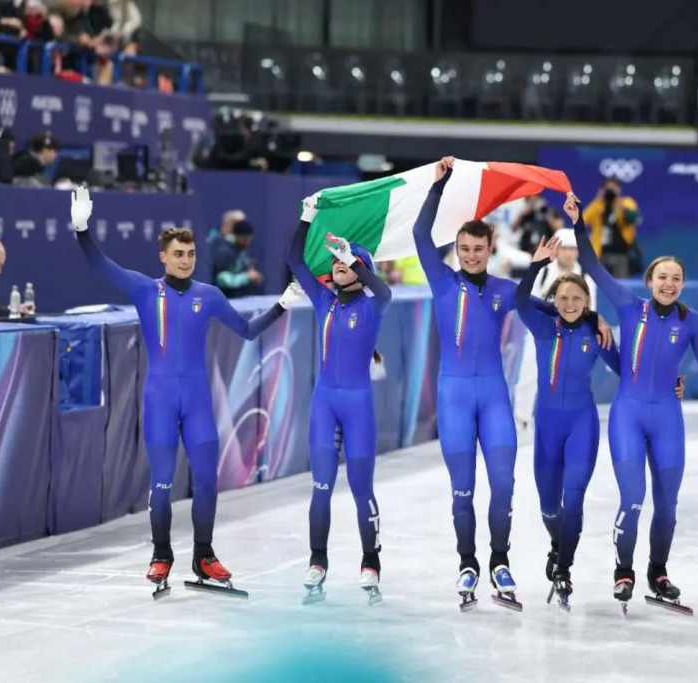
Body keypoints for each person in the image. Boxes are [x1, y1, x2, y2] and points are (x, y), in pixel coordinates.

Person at [69, 186, 301, 598]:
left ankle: (203, 555)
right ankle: (161, 554)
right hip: (160, 400)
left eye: (191, 254)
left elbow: (248, 332)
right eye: (178, 254)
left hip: (196, 403)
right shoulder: (144, 290)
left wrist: (281, 305)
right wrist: (82, 231)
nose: (186, 260)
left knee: (207, 481)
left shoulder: (208, 296)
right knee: (162, 483)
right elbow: (101, 265)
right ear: (163, 257)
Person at [412, 157, 611, 611]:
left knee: (503, 485)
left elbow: (562, 308)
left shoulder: (505, 290)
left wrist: (595, 317)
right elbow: (421, 235)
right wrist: (437, 187)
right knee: (463, 489)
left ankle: (499, 560)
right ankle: (468, 562)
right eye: (464, 249)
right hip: (455, 399)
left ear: (491, 248)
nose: (471, 256)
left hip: (494, 399)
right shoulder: (442, 282)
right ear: (457, 250)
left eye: (478, 249)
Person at [571, 192, 698, 611]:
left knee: (667, 505)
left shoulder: (692, 321)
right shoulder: (628, 305)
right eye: (662, 277)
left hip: (668, 417)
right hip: (628, 416)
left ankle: (658, 572)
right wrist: (579, 223)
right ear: (649, 281)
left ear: (682, 284)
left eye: (676, 279)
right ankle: (623, 571)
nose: (669, 284)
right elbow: (592, 266)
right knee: (633, 498)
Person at [286, 197, 392, 605]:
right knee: (321, 487)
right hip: (325, 405)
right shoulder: (324, 301)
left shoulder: (373, 306)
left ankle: (371, 561)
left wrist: (356, 260)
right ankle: (318, 559)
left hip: (358, 407)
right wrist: (306, 217)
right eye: (336, 261)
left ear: (361, 268)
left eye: (346, 260)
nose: (338, 264)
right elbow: (294, 260)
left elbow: (382, 288)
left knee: (362, 489)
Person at [514, 233, 620, 609]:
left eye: (577, 299)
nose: (570, 304)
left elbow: (628, 371)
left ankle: (563, 568)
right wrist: (536, 266)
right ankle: (558, 544)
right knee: (549, 507)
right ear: (553, 302)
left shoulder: (596, 332)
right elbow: (520, 299)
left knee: (573, 499)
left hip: (581, 425)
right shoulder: (543, 326)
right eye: (563, 299)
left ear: (587, 302)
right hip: (546, 427)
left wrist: (669, 383)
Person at [513, 228, 597, 430]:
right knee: (528, 376)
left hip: (571, 337)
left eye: (573, 249)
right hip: (540, 333)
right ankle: (521, 419)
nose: (569, 253)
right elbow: (528, 300)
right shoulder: (543, 273)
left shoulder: (586, 278)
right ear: (557, 250)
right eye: (565, 248)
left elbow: (591, 311)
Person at [212, 219, 263, 298]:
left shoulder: (243, 250)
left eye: (249, 239)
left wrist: (252, 276)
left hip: (241, 297)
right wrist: (247, 277)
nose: (247, 242)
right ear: (236, 236)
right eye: (244, 239)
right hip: (225, 298)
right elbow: (221, 279)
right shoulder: (224, 251)